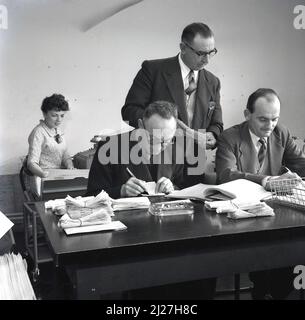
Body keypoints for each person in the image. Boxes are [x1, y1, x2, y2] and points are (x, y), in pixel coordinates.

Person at [87, 100, 216, 299]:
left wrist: (174, 189)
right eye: (154, 139)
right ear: (140, 126)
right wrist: (119, 189)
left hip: (171, 233)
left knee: (202, 267)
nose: (161, 145)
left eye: (167, 140)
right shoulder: (111, 148)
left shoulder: (180, 149)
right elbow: (91, 196)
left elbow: (191, 190)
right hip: (128, 239)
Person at [216, 88, 305, 299]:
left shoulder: (280, 132)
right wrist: (267, 180)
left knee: (290, 249)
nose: (270, 125)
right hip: (242, 217)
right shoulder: (230, 137)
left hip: (276, 213)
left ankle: (274, 291)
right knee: (268, 255)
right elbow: (226, 175)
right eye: (263, 119)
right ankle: (266, 291)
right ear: (247, 115)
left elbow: (300, 164)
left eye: (275, 119)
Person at [121, 22, 223, 150]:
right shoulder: (152, 70)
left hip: (194, 163)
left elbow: (217, 123)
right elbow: (129, 111)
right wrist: (165, 125)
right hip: (158, 158)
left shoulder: (213, 82)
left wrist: (213, 135)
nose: (207, 60)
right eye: (200, 53)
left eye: (211, 52)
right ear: (183, 48)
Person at [27, 94, 74, 197]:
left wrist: (70, 166)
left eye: (62, 115)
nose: (59, 120)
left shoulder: (58, 130)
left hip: (57, 178)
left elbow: (65, 154)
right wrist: (44, 175)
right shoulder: (38, 133)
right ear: (44, 114)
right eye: (54, 115)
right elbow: (31, 163)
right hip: (42, 180)